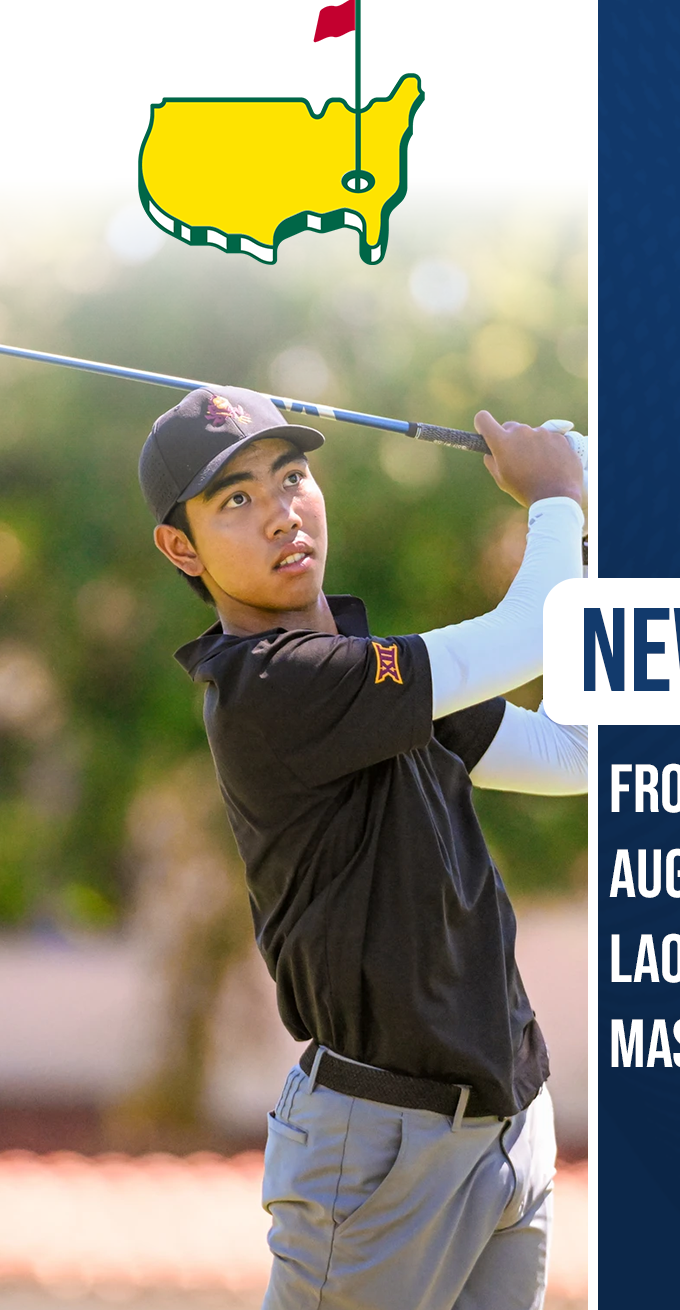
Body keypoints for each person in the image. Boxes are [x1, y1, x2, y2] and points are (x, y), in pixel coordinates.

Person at [138, 384, 587, 1310]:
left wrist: (588, 542)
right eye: (236, 499)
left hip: (509, 1129)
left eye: (292, 476)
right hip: (384, 1153)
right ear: (181, 548)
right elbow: (519, 636)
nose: (282, 512)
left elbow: (572, 754)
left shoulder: (368, 669)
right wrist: (556, 499)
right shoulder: (269, 688)